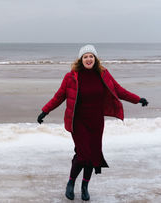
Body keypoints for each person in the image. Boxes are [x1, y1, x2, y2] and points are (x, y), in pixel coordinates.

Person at [37, 44, 148, 201]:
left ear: (95, 59)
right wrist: (45, 111)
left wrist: (137, 99)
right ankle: (71, 182)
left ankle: (84, 186)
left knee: (93, 155)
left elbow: (119, 90)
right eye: (85, 56)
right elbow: (59, 96)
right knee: (83, 154)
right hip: (78, 121)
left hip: (96, 121)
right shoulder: (71, 77)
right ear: (80, 60)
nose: (88, 59)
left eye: (91, 56)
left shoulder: (103, 74)